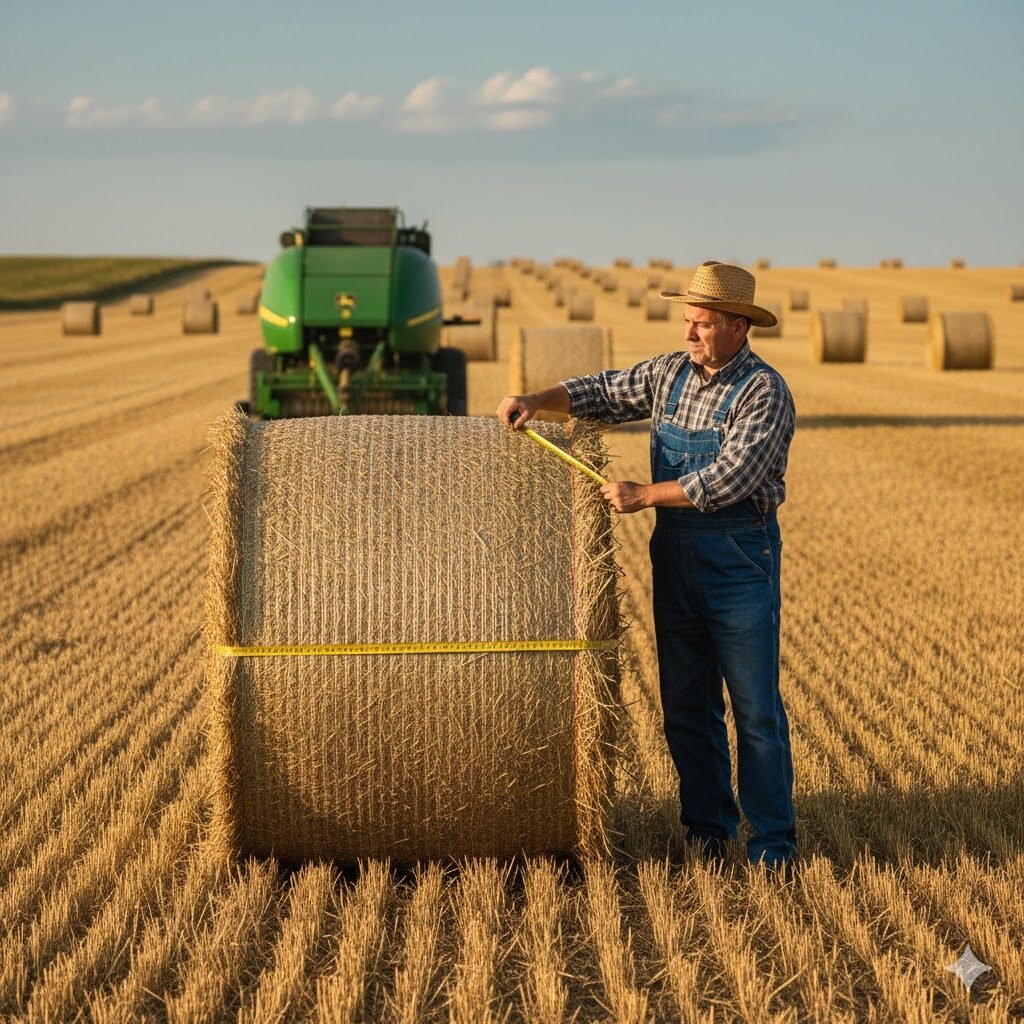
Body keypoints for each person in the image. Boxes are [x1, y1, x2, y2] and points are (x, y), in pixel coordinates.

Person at [498, 260, 797, 871]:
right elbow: (602, 392)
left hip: (740, 558)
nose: (689, 334)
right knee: (687, 705)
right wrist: (536, 399)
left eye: (703, 324)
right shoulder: (668, 374)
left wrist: (644, 495)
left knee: (756, 712)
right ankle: (709, 832)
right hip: (677, 556)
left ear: (739, 327)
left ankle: (772, 845)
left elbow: (730, 478)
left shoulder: (765, 392)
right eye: (687, 321)